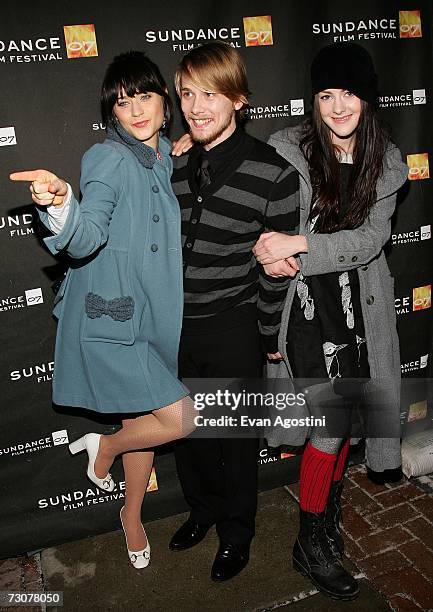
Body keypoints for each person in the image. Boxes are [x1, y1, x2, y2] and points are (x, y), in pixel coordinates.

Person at [10, 51, 195, 570]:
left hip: (149, 315)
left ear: (165, 102)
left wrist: (178, 144)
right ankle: (106, 448)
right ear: (111, 112)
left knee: (144, 418)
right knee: (179, 419)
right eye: (122, 101)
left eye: (145, 96)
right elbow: (85, 234)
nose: (135, 110)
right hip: (113, 318)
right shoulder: (108, 159)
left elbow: (171, 152)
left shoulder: (162, 152)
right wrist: (60, 204)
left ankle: (130, 516)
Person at [253, 43, 407, 600]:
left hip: (358, 304)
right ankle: (310, 542)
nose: (338, 107)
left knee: (343, 420)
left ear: (367, 98)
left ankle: (323, 520)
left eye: (349, 94)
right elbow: (254, 215)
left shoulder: (386, 161)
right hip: (303, 306)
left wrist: (301, 241)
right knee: (331, 421)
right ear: (313, 101)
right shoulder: (284, 151)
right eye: (326, 95)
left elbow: (371, 239)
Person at [168, 42, 300, 582]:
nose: (197, 108)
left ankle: (237, 532)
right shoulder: (169, 164)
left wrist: (268, 335)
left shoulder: (274, 174)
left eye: (212, 94)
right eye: (187, 95)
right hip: (172, 329)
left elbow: (275, 268)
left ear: (239, 99)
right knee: (188, 433)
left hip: (232, 326)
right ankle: (201, 511)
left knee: (236, 440)